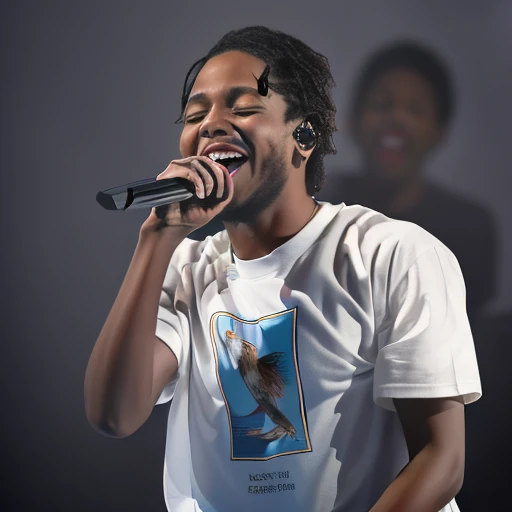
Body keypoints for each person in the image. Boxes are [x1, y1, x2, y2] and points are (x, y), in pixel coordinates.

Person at [85, 27, 481, 512]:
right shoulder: (187, 269)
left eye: (243, 107)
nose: (211, 125)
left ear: (305, 135)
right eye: (195, 114)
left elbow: (442, 459)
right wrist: (157, 239)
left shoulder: (391, 252)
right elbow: (113, 415)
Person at [317, 41, 497, 323]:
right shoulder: (313, 212)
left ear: (439, 131)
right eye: (382, 104)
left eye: (416, 109)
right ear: (352, 120)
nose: (397, 118)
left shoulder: (470, 229)